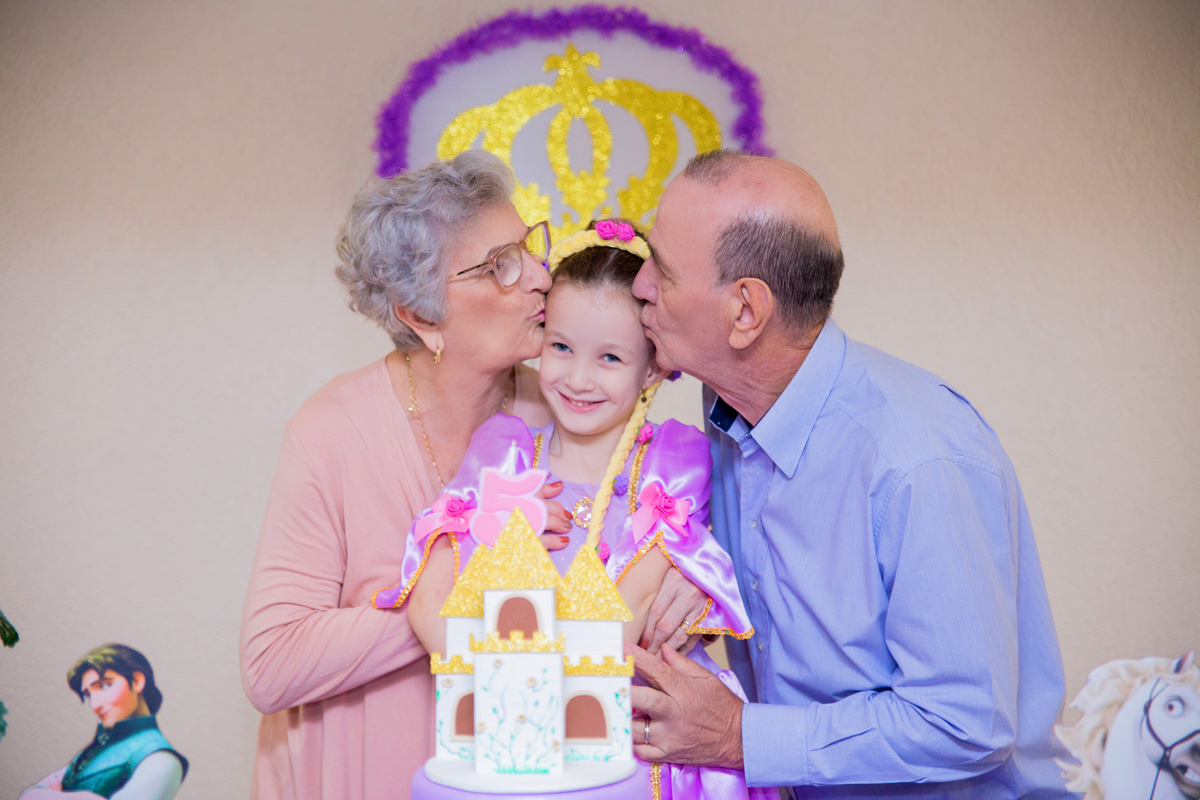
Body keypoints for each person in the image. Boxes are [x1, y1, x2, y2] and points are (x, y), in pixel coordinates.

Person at [238, 153, 704, 800]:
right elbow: (271, 663)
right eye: (502, 264)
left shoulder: (560, 407)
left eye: (530, 247)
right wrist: (471, 590)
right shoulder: (331, 431)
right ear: (422, 316)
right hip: (370, 771)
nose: (541, 277)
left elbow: (649, 535)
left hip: (534, 772)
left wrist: (686, 572)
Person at [627, 150, 1074, 798]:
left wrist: (738, 736)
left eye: (661, 272)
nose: (639, 285)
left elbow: (965, 723)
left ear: (745, 313)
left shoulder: (917, 462)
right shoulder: (727, 410)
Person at [376, 219, 768, 799]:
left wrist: (541, 682)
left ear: (655, 364)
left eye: (610, 357)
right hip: (515, 741)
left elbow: (626, 621)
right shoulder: (502, 450)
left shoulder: (676, 459)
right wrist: (508, 695)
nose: (578, 378)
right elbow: (434, 605)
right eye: (560, 347)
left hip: (637, 739)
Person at [21, 644, 187, 800]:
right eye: (88, 694)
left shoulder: (160, 759)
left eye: (105, 686)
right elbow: (28, 796)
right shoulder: (99, 747)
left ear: (136, 681)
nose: (95, 705)